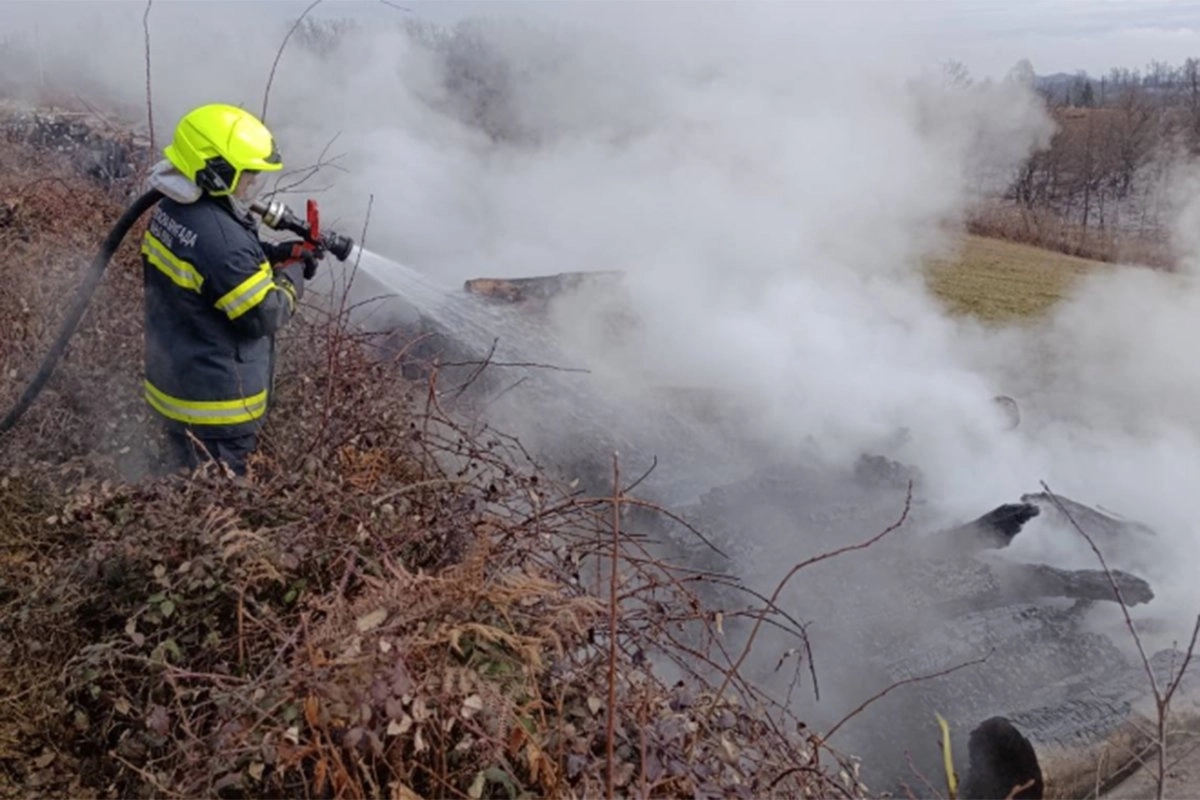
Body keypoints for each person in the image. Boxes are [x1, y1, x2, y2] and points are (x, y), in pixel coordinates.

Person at [141, 103, 322, 476]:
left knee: (177, 488)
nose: (253, 183)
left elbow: (212, 274)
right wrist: (296, 274)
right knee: (215, 507)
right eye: (248, 174)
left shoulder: (173, 207)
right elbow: (264, 312)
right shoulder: (221, 239)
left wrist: (273, 255)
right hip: (215, 412)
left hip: (175, 383)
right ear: (216, 171)